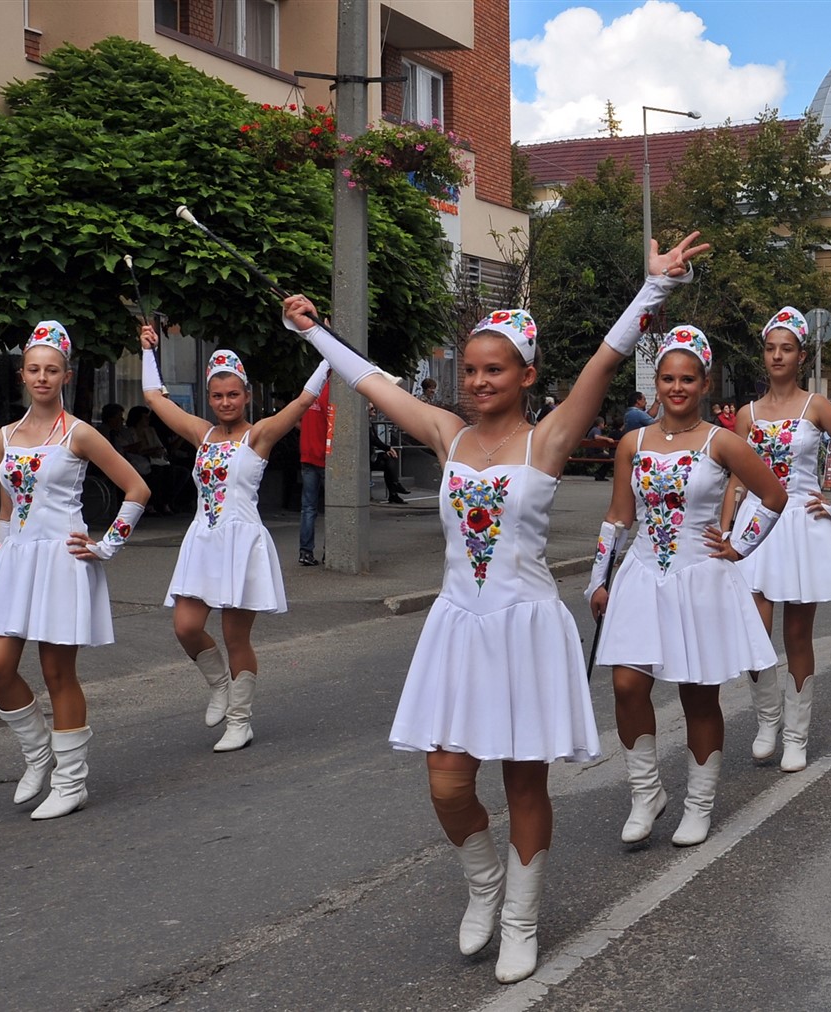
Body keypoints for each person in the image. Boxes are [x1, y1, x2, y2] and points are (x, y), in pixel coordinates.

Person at [283, 232, 710, 984]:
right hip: (458, 625)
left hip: (524, 626)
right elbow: (372, 382)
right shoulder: (447, 436)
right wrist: (312, 330)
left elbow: (604, 362)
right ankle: (484, 881)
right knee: (448, 782)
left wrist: (654, 289)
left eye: (494, 370)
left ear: (525, 375)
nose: (478, 381)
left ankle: (521, 919)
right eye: (472, 369)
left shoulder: (548, 441)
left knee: (523, 782)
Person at [591, 324, 788, 851]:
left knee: (698, 696)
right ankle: (646, 793)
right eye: (667, 378)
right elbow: (618, 516)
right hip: (641, 575)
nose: (676, 387)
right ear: (656, 383)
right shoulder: (632, 443)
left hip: (699, 578)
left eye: (687, 379)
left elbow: (773, 495)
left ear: (704, 384)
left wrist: (739, 545)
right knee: (627, 685)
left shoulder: (722, 442)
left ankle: (699, 804)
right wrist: (598, 581)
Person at [0, 321, 151, 820]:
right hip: (16, 560)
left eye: (51, 370)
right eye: (33, 369)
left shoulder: (79, 433)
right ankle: (37, 753)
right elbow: (7, 506)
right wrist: (2, 553)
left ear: (65, 375)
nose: (42, 377)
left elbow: (137, 489)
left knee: (56, 672)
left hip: (63, 560)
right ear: (22, 374)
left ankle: (71, 782)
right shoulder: (4, 437)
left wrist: (107, 545)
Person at [140, 332, 326, 751]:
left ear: (247, 395)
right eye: (218, 396)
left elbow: (304, 400)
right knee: (186, 626)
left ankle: (240, 720)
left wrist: (328, 351)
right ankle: (219, 685)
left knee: (235, 636)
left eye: (233, 395)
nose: (225, 402)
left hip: (241, 543)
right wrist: (148, 349)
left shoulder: (258, 435)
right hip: (203, 541)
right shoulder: (201, 434)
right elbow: (153, 397)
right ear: (209, 398)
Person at [722, 307, 831, 771]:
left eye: (786, 349)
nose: (777, 356)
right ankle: (767, 719)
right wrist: (727, 529)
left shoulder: (818, 406)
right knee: (753, 629)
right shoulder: (747, 414)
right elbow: (735, 479)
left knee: (796, 635)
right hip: (755, 526)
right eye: (771, 348)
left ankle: (796, 735)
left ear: (801, 356)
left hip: (799, 524)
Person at [298, 372, 330, 565]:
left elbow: (296, 419)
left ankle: (305, 552)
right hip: (324, 457)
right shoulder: (330, 393)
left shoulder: (309, 392)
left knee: (308, 508)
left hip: (307, 454)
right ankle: (330, 551)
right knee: (333, 507)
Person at [370, 405, 411, 505]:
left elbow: (376, 440)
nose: (374, 410)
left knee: (389, 461)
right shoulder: (364, 424)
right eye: (371, 409)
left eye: (374, 408)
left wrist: (387, 449)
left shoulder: (369, 423)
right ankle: (395, 487)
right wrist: (387, 448)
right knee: (387, 462)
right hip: (366, 458)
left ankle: (394, 492)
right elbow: (373, 440)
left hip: (371, 455)